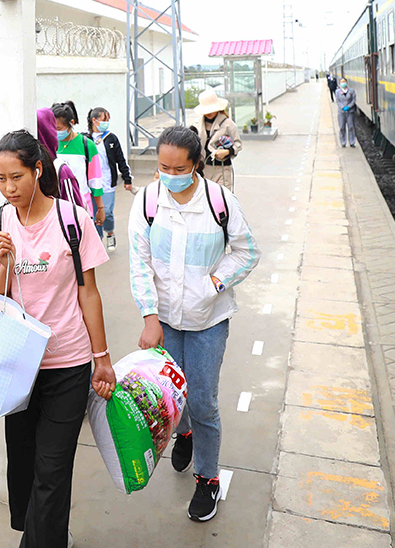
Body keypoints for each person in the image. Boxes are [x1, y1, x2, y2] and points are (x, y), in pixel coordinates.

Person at [0, 129, 115, 548]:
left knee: (53, 469)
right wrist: (0, 261)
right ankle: (51, 533)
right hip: (19, 365)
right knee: (24, 467)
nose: (8, 188)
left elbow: (87, 292)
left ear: (38, 169)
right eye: (0, 179)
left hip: (67, 363)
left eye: (16, 176)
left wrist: (101, 357)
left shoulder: (72, 220)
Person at [128, 125, 259, 522]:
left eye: (177, 167)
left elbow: (247, 251)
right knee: (174, 392)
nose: (168, 174)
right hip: (165, 319)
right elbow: (139, 263)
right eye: (161, 166)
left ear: (196, 165)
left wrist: (215, 283)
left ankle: (208, 479)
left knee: (202, 400)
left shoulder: (221, 202)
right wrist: (150, 317)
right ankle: (182, 433)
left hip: (208, 320)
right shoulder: (149, 202)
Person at [51, 101, 107, 227]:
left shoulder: (87, 145)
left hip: (81, 205)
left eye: (59, 128)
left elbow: (95, 180)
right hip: (55, 206)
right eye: (52, 128)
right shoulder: (48, 144)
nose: (55, 132)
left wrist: (100, 208)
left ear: (71, 123)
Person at [88, 106, 134, 251]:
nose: (107, 122)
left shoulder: (111, 138)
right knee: (94, 213)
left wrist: (127, 179)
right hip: (91, 183)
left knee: (106, 211)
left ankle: (110, 232)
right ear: (94, 120)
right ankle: (97, 239)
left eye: (108, 120)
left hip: (107, 182)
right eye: (104, 119)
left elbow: (120, 159)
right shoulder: (85, 139)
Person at [193, 90, 242, 190]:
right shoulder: (198, 124)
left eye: (211, 109)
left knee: (222, 198)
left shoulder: (228, 124)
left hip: (222, 168)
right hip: (203, 169)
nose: (209, 113)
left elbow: (238, 144)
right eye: (206, 110)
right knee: (205, 198)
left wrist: (228, 152)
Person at [334, 77, 359, 148]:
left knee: (351, 127)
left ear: (347, 83)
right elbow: (338, 101)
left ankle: (352, 142)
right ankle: (343, 142)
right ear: (340, 83)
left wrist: (349, 106)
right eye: (342, 82)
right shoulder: (337, 91)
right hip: (341, 112)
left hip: (350, 112)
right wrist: (342, 107)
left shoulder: (351, 91)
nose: (343, 83)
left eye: (344, 81)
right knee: (342, 127)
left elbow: (353, 100)